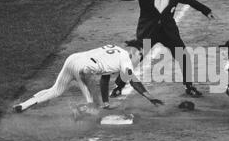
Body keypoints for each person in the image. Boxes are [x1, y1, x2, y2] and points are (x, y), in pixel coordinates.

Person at [111, 0, 216, 98]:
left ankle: (189, 86)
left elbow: (190, 1)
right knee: (135, 59)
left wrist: (206, 11)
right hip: (148, 32)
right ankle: (119, 86)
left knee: (183, 57)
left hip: (168, 33)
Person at [12, 40, 163, 113]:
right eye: (141, 55)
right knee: (92, 107)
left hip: (72, 59)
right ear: (134, 52)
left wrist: (106, 103)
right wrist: (149, 97)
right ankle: (77, 111)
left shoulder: (116, 49)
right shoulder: (126, 60)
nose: (140, 58)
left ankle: (23, 105)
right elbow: (133, 80)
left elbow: (105, 78)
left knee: (55, 90)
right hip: (83, 69)